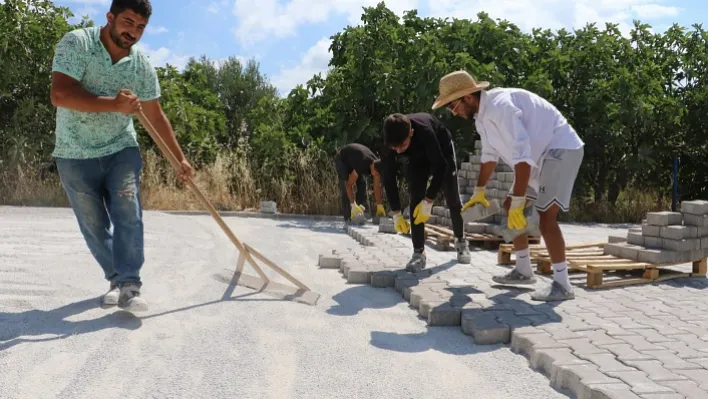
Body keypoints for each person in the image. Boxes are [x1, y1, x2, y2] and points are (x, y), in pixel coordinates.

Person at [49, 0, 194, 312]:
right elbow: (60, 94)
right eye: (128, 22)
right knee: (93, 224)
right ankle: (115, 279)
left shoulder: (141, 65)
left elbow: (156, 117)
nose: (133, 32)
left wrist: (179, 158)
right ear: (110, 17)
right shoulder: (78, 43)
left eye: (140, 27)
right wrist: (114, 104)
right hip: (73, 151)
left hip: (120, 148)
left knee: (128, 210)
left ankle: (130, 284)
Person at [431, 70, 585, 302]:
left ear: (468, 98)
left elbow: (522, 156)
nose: (453, 112)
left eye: (453, 106)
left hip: (559, 149)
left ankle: (563, 285)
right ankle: (524, 271)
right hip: (539, 155)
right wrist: (479, 191)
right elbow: (489, 155)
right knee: (508, 204)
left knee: (546, 217)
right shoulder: (481, 117)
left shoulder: (501, 108)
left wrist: (520, 199)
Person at [379, 113, 472, 272]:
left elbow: (441, 166)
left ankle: (461, 241)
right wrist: (396, 212)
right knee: (415, 199)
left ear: (411, 133)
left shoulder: (425, 132)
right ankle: (418, 254)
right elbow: (388, 177)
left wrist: (429, 200)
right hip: (417, 158)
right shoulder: (390, 141)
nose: (399, 151)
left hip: (442, 150)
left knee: (452, 199)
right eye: (395, 148)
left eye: (402, 145)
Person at [333, 143, 386, 226]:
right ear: (372, 167)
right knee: (345, 187)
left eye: (377, 175)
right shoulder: (363, 163)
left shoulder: (377, 165)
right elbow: (349, 185)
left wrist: (379, 205)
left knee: (362, 185)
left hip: (354, 160)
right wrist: (353, 204)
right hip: (342, 160)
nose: (375, 176)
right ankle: (348, 219)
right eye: (375, 174)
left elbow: (376, 187)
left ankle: (358, 215)